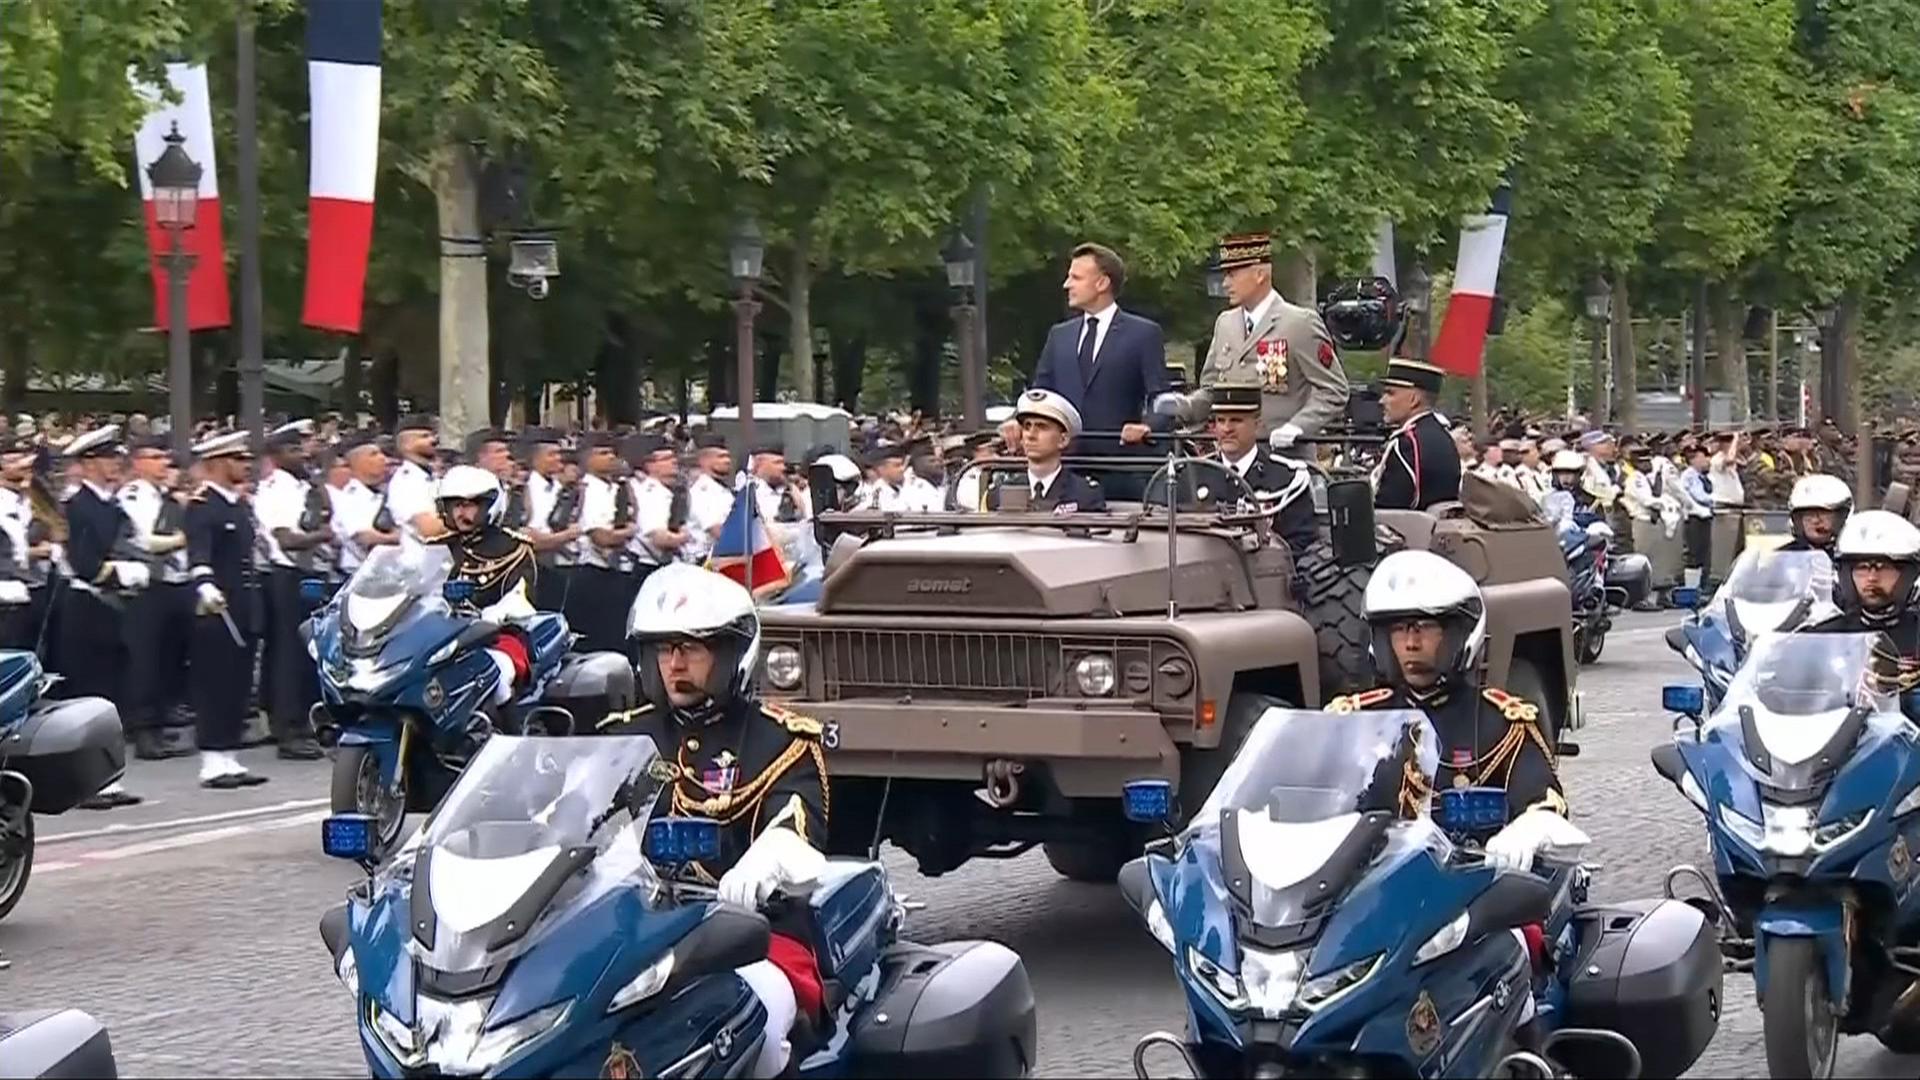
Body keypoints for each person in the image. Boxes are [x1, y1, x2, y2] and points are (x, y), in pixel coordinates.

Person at [611, 563, 829, 1079]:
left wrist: (768, 861)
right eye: (664, 650)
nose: (675, 664)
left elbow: (798, 822)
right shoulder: (622, 738)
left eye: (691, 648)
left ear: (730, 654)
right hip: (635, 938)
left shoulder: (780, 739)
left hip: (753, 936)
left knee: (753, 1031)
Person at [1327, 550, 1573, 863]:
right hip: (1367, 892)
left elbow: (1547, 803)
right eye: (1399, 629)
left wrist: (1530, 828)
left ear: (1458, 635)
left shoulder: (1501, 724)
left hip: (1469, 890)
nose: (1410, 643)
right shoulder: (1354, 721)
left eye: (1424, 628)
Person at [1028, 243, 1171, 496]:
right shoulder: (1059, 336)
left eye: (1076, 277)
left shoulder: (1143, 334)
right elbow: (1040, 394)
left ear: (1102, 283)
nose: (1066, 285)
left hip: (1122, 472)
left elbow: (1161, 397)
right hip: (1066, 471)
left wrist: (1147, 426)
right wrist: (1015, 421)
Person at [1200, 231, 1349, 448]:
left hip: (1282, 458)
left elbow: (1333, 389)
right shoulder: (1225, 323)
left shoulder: (1299, 323)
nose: (1225, 283)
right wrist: (1182, 407)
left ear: (1259, 275)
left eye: (1232, 275)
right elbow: (1211, 390)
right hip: (1232, 459)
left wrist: (1298, 426)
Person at [185, 431, 269, 790]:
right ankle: (211, 758)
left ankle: (230, 755)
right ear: (217, 463)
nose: (245, 466)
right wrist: (204, 584)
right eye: (237, 460)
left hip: (244, 604)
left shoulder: (238, 505)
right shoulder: (203, 505)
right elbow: (199, 552)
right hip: (217, 605)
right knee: (214, 683)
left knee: (238, 683)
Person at [432, 465, 543, 718]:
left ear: (489, 506)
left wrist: (497, 613)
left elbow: (522, 596)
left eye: (470, 505)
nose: (462, 512)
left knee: (496, 673)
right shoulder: (437, 549)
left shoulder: (514, 547)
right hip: (439, 638)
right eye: (456, 505)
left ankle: (511, 740)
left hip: (497, 636)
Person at [253, 425, 329, 760]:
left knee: (296, 651)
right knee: (290, 653)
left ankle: (289, 720)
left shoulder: (300, 485)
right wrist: (324, 536)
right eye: (295, 450)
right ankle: (290, 728)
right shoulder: (276, 489)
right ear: (277, 455)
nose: (304, 455)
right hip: (287, 573)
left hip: (304, 571)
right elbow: (287, 539)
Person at [117, 435, 194, 760]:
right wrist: (184, 538)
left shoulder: (172, 497)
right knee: (146, 659)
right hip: (150, 584)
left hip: (178, 581)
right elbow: (145, 541)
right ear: (137, 462)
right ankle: (145, 728)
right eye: (156, 456)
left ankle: (163, 722)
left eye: (166, 457)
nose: (164, 463)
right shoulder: (132, 496)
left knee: (170, 658)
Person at [1205, 381, 1315, 555]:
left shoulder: (1286, 480)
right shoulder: (1193, 476)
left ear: (1257, 425)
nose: (1227, 429)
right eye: (1221, 420)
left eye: (1236, 420)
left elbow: (1300, 545)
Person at [987, 390, 1107, 513]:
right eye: (1027, 427)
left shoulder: (1085, 496)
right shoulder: (1000, 492)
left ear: (1063, 440)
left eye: (1042, 427)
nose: (1031, 435)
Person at [1372, 359, 1459, 511]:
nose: (1382, 400)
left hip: (1409, 531)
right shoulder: (1444, 437)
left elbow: (1387, 509)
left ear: (1414, 400)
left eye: (1390, 393)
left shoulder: (1406, 444)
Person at [384, 415, 443, 541]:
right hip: (421, 558)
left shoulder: (432, 477)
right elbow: (429, 529)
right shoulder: (405, 483)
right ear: (406, 445)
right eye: (424, 437)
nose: (433, 440)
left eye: (433, 435)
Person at [1779, 473, 1851, 560]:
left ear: (1841, 516)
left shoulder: (1851, 555)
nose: (1815, 520)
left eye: (1823, 513)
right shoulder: (1783, 556)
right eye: (1808, 514)